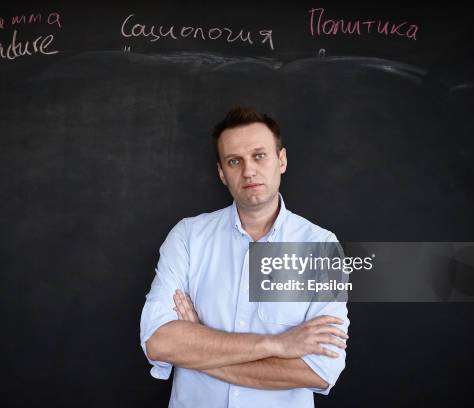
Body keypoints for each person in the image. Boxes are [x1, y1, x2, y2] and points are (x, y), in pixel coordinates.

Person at [140, 107, 349, 407]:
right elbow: (159, 341)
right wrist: (277, 345)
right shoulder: (188, 236)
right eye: (234, 161)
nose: (248, 171)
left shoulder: (320, 246)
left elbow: (319, 371)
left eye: (259, 156)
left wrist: (199, 345)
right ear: (222, 173)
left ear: (282, 160)